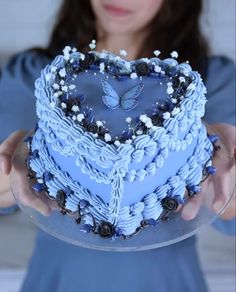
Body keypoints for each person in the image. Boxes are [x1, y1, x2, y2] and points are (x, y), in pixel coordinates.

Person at [0, 0, 235, 291]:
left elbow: (229, 209)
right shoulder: (36, 75)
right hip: (61, 280)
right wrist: (10, 171)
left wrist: (228, 180)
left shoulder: (209, 82)